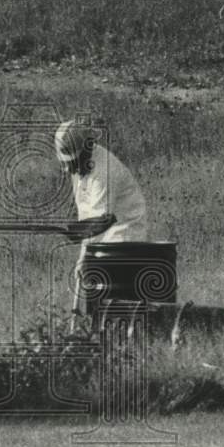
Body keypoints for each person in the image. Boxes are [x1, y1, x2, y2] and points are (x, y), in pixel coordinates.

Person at [54, 120, 149, 317]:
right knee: (91, 281)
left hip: (125, 231)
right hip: (103, 231)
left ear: (86, 150)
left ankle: (114, 329)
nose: (66, 170)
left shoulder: (105, 172)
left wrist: (85, 257)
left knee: (107, 288)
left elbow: (100, 223)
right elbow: (86, 214)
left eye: (70, 163)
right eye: (64, 163)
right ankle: (94, 330)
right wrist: (84, 255)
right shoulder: (80, 166)